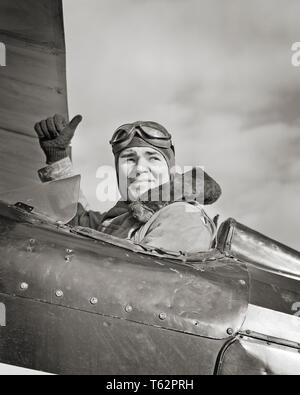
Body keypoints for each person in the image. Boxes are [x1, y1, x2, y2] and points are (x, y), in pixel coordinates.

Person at [34, 114, 221, 253]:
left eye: (153, 158)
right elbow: (73, 219)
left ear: (170, 171)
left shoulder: (181, 216)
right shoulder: (114, 220)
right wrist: (57, 156)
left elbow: (149, 285)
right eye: (129, 159)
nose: (139, 168)